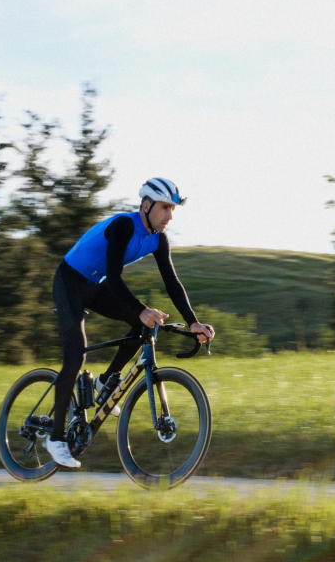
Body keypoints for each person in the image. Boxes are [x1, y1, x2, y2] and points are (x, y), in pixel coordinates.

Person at [46, 178, 215, 468]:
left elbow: (172, 282)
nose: (169, 216)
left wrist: (194, 322)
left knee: (145, 324)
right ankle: (55, 437)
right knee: (75, 357)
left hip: (93, 285)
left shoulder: (158, 239)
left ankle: (104, 382)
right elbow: (114, 277)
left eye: (172, 209)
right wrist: (140, 309)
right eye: (164, 208)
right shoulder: (125, 225)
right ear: (146, 206)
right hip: (69, 281)